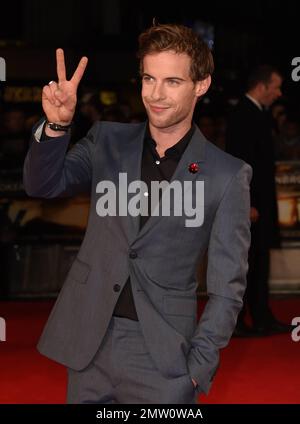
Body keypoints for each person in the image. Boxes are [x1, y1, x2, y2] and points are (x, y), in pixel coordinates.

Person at [23, 24, 251, 404]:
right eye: (149, 78)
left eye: (172, 81)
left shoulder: (227, 174)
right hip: (90, 344)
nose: (155, 95)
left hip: (164, 358)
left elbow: (229, 287)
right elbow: (42, 186)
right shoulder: (106, 140)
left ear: (201, 85)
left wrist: (198, 368)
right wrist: (57, 125)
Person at [226, 65, 293, 336]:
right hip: (250, 203)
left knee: (260, 260)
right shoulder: (243, 114)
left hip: (260, 201)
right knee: (246, 263)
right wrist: (248, 202)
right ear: (261, 86)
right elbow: (239, 162)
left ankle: (261, 316)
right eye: (275, 87)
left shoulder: (258, 113)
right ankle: (239, 320)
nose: (278, 93)